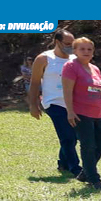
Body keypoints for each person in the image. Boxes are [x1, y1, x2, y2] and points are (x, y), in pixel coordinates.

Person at [62, 37, 101, 191]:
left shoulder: (95, 69)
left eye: (89, 49)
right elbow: (67, 91)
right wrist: (70, 111)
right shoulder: (71, 67)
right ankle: (95, 180)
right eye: (82, 49)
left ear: (93, 52)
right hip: (81, 113)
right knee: (88, 146)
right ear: (75, 51)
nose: (86, 52)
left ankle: (84, 173)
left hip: (97, 113)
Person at [28, 29, 81, 178]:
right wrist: (33, 104)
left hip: (72, 103)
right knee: (67, 137)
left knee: (73, 137)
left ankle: (63, 163)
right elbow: (35, 83)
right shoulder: (44, 59)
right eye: (68, 44)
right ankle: (76, 169)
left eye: (73, 43)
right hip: (53, 103)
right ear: (57, 42)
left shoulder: (74, 59)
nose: (71, 46)